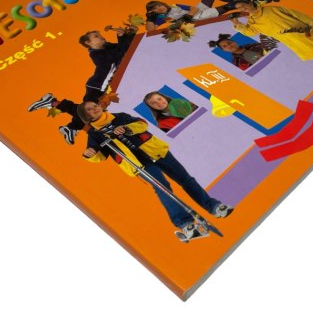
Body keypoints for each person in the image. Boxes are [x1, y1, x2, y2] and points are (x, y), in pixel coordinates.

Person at [77, 101, 233, 241]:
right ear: (86, 116)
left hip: (155, 151)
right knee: (163, 189)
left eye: (95, 105)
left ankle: (213, 207)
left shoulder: (120, 117)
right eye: (89, 109)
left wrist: (126, 128)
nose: (95, 108)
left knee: (185, 179)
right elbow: (99, 155)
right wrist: (91, 154)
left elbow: (142, 124)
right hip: (139, 164)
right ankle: (185, 223)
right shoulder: (94, 134)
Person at [79, 26, 137, 101]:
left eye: (100, 35)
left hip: (107, 86)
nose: (101, 36)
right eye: (96, 36)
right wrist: (122, 36)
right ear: (88, 42)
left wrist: (128, 34)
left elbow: (126, 47)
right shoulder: (96, 55)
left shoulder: (107, 46)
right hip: (96, 88)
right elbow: (119, 52)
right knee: (90, 106)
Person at [145, 0, 240, 32]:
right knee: (227, 7)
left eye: (159, 5)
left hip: (196, 12)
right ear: (153, 12)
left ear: (163, 4)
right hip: (198, 18)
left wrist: (188, 15)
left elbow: (194, 8)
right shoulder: (162, 17)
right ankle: (242, 2)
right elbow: (151, 30)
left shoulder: (174, 5)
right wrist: (149, 19)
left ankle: (237, 0)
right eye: (155, 9)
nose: (159, 9)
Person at [208, 33, 277, 70]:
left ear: (234, 42)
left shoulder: (254, 45)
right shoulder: (237, 62)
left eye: (229, 43)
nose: (229, 46)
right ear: (224, 50)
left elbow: (272, 48)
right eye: (225, 46)